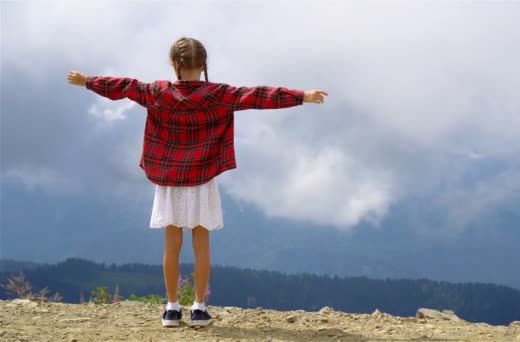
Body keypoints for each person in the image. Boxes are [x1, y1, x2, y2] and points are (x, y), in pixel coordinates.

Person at [66, 36, 328, 328]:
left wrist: (87, 81)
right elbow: (257, 95)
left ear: (175, 65)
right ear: (203, 65)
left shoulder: (157, 92)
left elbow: (124, 86)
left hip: (169, 180)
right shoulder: (218, 94)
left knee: (172, 245)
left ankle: (171, 309)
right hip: (202, 178)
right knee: (201, 245)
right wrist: (301, 96)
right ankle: (200, 308)